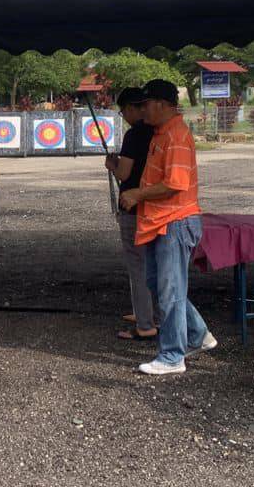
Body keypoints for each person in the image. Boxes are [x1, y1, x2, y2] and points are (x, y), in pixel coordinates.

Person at [119, 79, 216, 376]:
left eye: (146, 104)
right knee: (157, 284)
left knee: (169, 290)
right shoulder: (162, 133)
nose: (142, 110)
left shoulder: (175, 135)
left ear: (161, 104)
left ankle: (173, 355)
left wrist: (137, 194)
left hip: (175, 222)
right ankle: (198, 334)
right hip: (161, 222)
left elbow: (176, 183)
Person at [104, 87, 158, 341]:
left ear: (131, 108)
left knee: (138, 267)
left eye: (123, 111)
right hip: (155, 208)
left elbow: (124, 173)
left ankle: (145, 323)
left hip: (134, 207)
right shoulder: (160, 131)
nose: (124, 116)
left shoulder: (134, 134)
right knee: (152, 265)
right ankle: (149, 314)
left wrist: (112, 164)